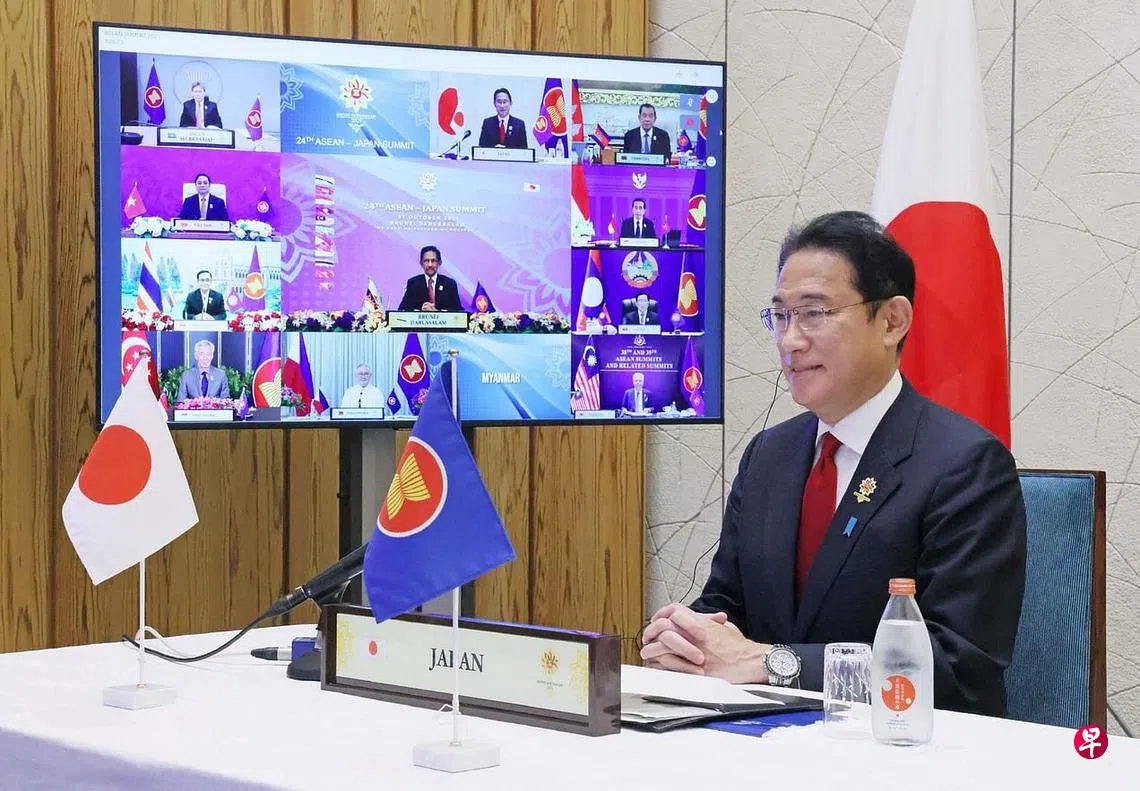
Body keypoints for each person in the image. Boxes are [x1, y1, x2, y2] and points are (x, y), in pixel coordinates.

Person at [639, 211, 1026, 716]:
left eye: (814, 314)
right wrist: (685, 639)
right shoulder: (769, 455)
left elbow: (957, 666)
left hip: (899, 745)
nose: (790, 341)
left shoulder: (966, 465)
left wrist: (773, 664)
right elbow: (727, 608)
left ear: (891, 321)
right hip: (761, 738)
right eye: (781, 316)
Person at [396, 245, 462, 312]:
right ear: (421, 263)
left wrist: (436, 312)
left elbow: (459, 312)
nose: (430, 265)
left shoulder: (449, 284)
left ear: (439, 263)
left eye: (433, 261)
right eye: (426, 261)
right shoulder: (413, 283)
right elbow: (402, 310)